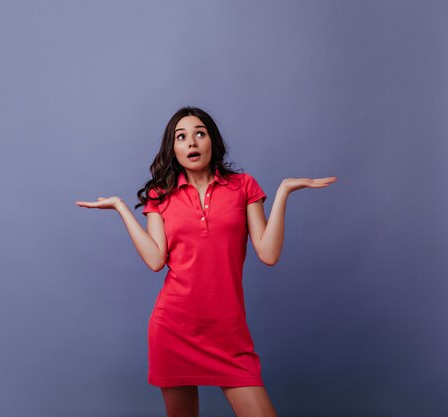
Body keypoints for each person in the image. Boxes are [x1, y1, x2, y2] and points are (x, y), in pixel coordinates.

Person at [75, 106, 337, 417]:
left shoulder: (243, 186)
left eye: (200, 133)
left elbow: (268, 253)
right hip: (174, 328)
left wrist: (283, 192)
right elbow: (156, 259)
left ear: (212, 140)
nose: (192, 142)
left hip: (228, 331)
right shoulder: (161, 194)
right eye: (181, 137)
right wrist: (121, 208)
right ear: (172, 148)